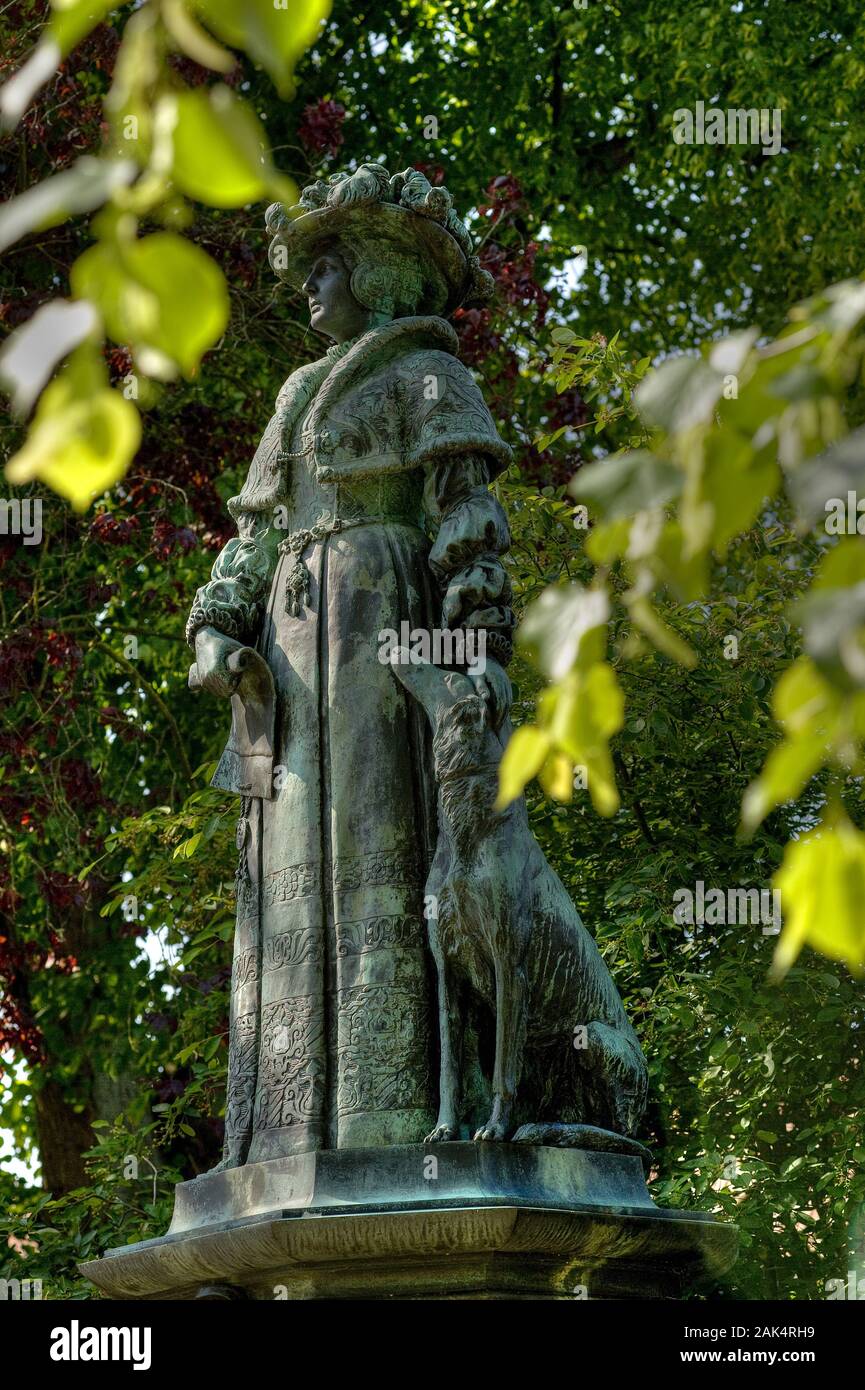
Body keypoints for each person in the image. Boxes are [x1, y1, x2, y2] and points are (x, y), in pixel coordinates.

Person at [186, 163, 515, 1167]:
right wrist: (216, 627)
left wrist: (473, 657)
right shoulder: (294, 394)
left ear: (372, 275)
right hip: (290, 654)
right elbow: (252, 531)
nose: (307, 292)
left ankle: (388, 1119)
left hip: (384, 624)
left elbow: (469, 523)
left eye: (323, 271)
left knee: (383, 844)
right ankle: (290, 1132)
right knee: (291, 867)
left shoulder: (431, 376)